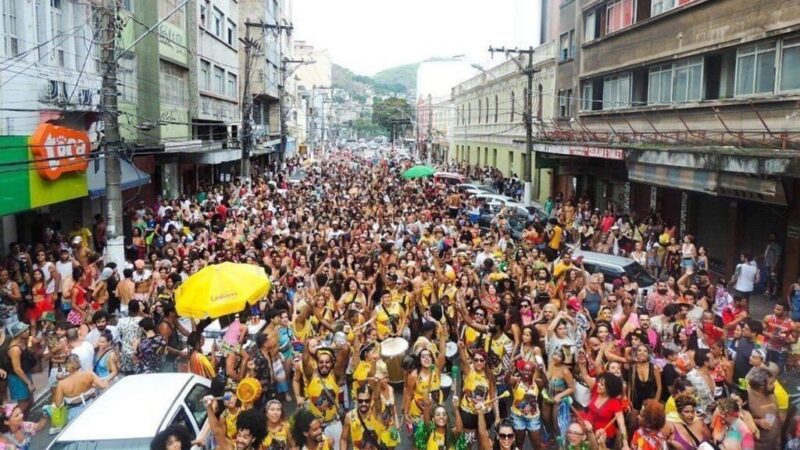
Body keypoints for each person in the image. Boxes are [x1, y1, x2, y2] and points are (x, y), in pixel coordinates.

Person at [51, 354, 109, 425]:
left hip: (74, 412)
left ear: (66, 366)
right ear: (79, 363)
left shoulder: (62, 384)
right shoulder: (89, 374)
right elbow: (103, 386)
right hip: (92, 405)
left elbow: (58, 404)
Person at [5, 322, 35, 413]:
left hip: (25, 374)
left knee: (30, 400)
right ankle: (14, 422)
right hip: (17, 379)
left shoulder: (22, 342)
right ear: (18, 334)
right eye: (25, 330)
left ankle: (24, 422)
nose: (28, 331)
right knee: (24, 403)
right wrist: (28, 382)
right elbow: (17, 369)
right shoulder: (15, 349)